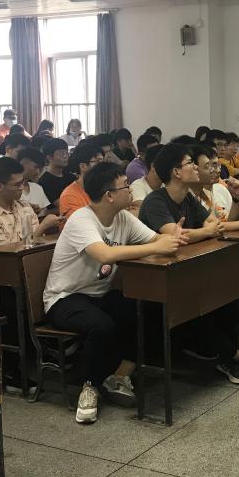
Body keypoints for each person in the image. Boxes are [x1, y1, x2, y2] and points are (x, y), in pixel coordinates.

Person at [44, 162, 184, 423]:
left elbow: (155, 239)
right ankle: (89, 387)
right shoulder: (81, 219)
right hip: (64, 298)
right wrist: (157, 246)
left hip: (98, 296)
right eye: (125, 186)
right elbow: (104, 254)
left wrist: (171, 236)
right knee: (101, 325)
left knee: (151, 306)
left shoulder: (123, 217)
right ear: (109, 195)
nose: (130, 190)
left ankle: (119, 376)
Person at [139, 143, 239, 384]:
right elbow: (176, 236)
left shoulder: (188, 198)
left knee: (227, 294)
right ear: (176, 172)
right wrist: (204, 231)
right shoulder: (155, 201)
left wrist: (204, 230)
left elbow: (215, 224)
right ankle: (238, 357)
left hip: (188, 269)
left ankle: (227, 357)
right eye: (189, 163)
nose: (195, 167)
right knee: (198, 306)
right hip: (156, 281)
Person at [0, 157, 60, 248]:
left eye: (22, 182)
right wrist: (43, 227)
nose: (22, 188)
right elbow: (10, 253)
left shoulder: (24, 206)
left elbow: (38, 243)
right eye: (17, 184)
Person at [191, 145, 239, 229]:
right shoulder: (190, 196)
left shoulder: (207, 193)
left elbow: (223, 222)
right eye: (209, 166)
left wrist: (236, 199)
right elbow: (215, 226)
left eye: (218, 165)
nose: (218, 170)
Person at [58, 143, 103, 217]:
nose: (102, 166)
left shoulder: (106, 187)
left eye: (102, 161)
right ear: (83, 166)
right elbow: (80, 223)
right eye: (97, 161)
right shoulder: (70, 196)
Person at [38, 138, 73, 205]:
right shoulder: (45, 181)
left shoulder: (71, 176)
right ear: (49, 157)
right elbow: (60, 204)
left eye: (66, 153)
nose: (65, 156)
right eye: (61, 153)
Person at [17, 147, 52, 212]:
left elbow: (44, 212)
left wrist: (39, 211)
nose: (38, 172)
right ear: (23, 162)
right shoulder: (10, 189)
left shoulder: (37, 188)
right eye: (36, 167)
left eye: (40, 168)